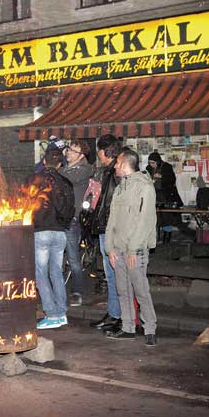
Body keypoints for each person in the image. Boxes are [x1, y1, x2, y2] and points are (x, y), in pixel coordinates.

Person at [105, 148, 158, 346]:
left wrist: (133, 249)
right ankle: (128, 327)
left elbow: (145, 221)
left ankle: (150, 328)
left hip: (135, 250)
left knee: (141, 290)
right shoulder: (120, 188)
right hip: (118, 250)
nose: (115, 166)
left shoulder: (144, 187)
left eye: (117, 163)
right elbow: (112, 221)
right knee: (123, 290)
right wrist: (110, 247)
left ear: (126, 164)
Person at [29, 147, 75, 330]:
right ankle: (61, 311)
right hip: (60, 232)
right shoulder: (66, 182)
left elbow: (26, 204)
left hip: (41, 231)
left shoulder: (34, 180)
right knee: (56, 271)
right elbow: (71, 208)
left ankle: (52, 313)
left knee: (40, 273)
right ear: (60, 163)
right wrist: (62, 223)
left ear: (44, 161)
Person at [88, 135, 123, 332]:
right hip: (105, 228)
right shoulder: (107, 172)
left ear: (104, 151)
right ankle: (113, 313)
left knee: (115, 274)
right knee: (111, 275)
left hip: (112, 230)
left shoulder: (116, 173)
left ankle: (118, 316)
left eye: (99, 151)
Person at [59, 140, 94, 307]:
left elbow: (66, 179)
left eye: (73, 151)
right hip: (59, 219)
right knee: (58, 258)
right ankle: (59, 292)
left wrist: (52, 170)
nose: (69, 153)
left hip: (72, 220)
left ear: (81, 156)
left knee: (73, 258)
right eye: (69, 149)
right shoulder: (64, 168)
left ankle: (77, 292)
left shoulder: (84, 169)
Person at [147, 151, 182, 244]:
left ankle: (167, 238)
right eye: (150, 163)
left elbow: (172, 179)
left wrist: (161, 176)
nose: (151, 165)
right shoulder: (148, 168)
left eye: (153, 163)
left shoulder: (166, 167)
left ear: (158, 161)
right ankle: (155, 238)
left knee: (166, 217)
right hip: (153, 195)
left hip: (165, 195)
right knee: (154, 217)